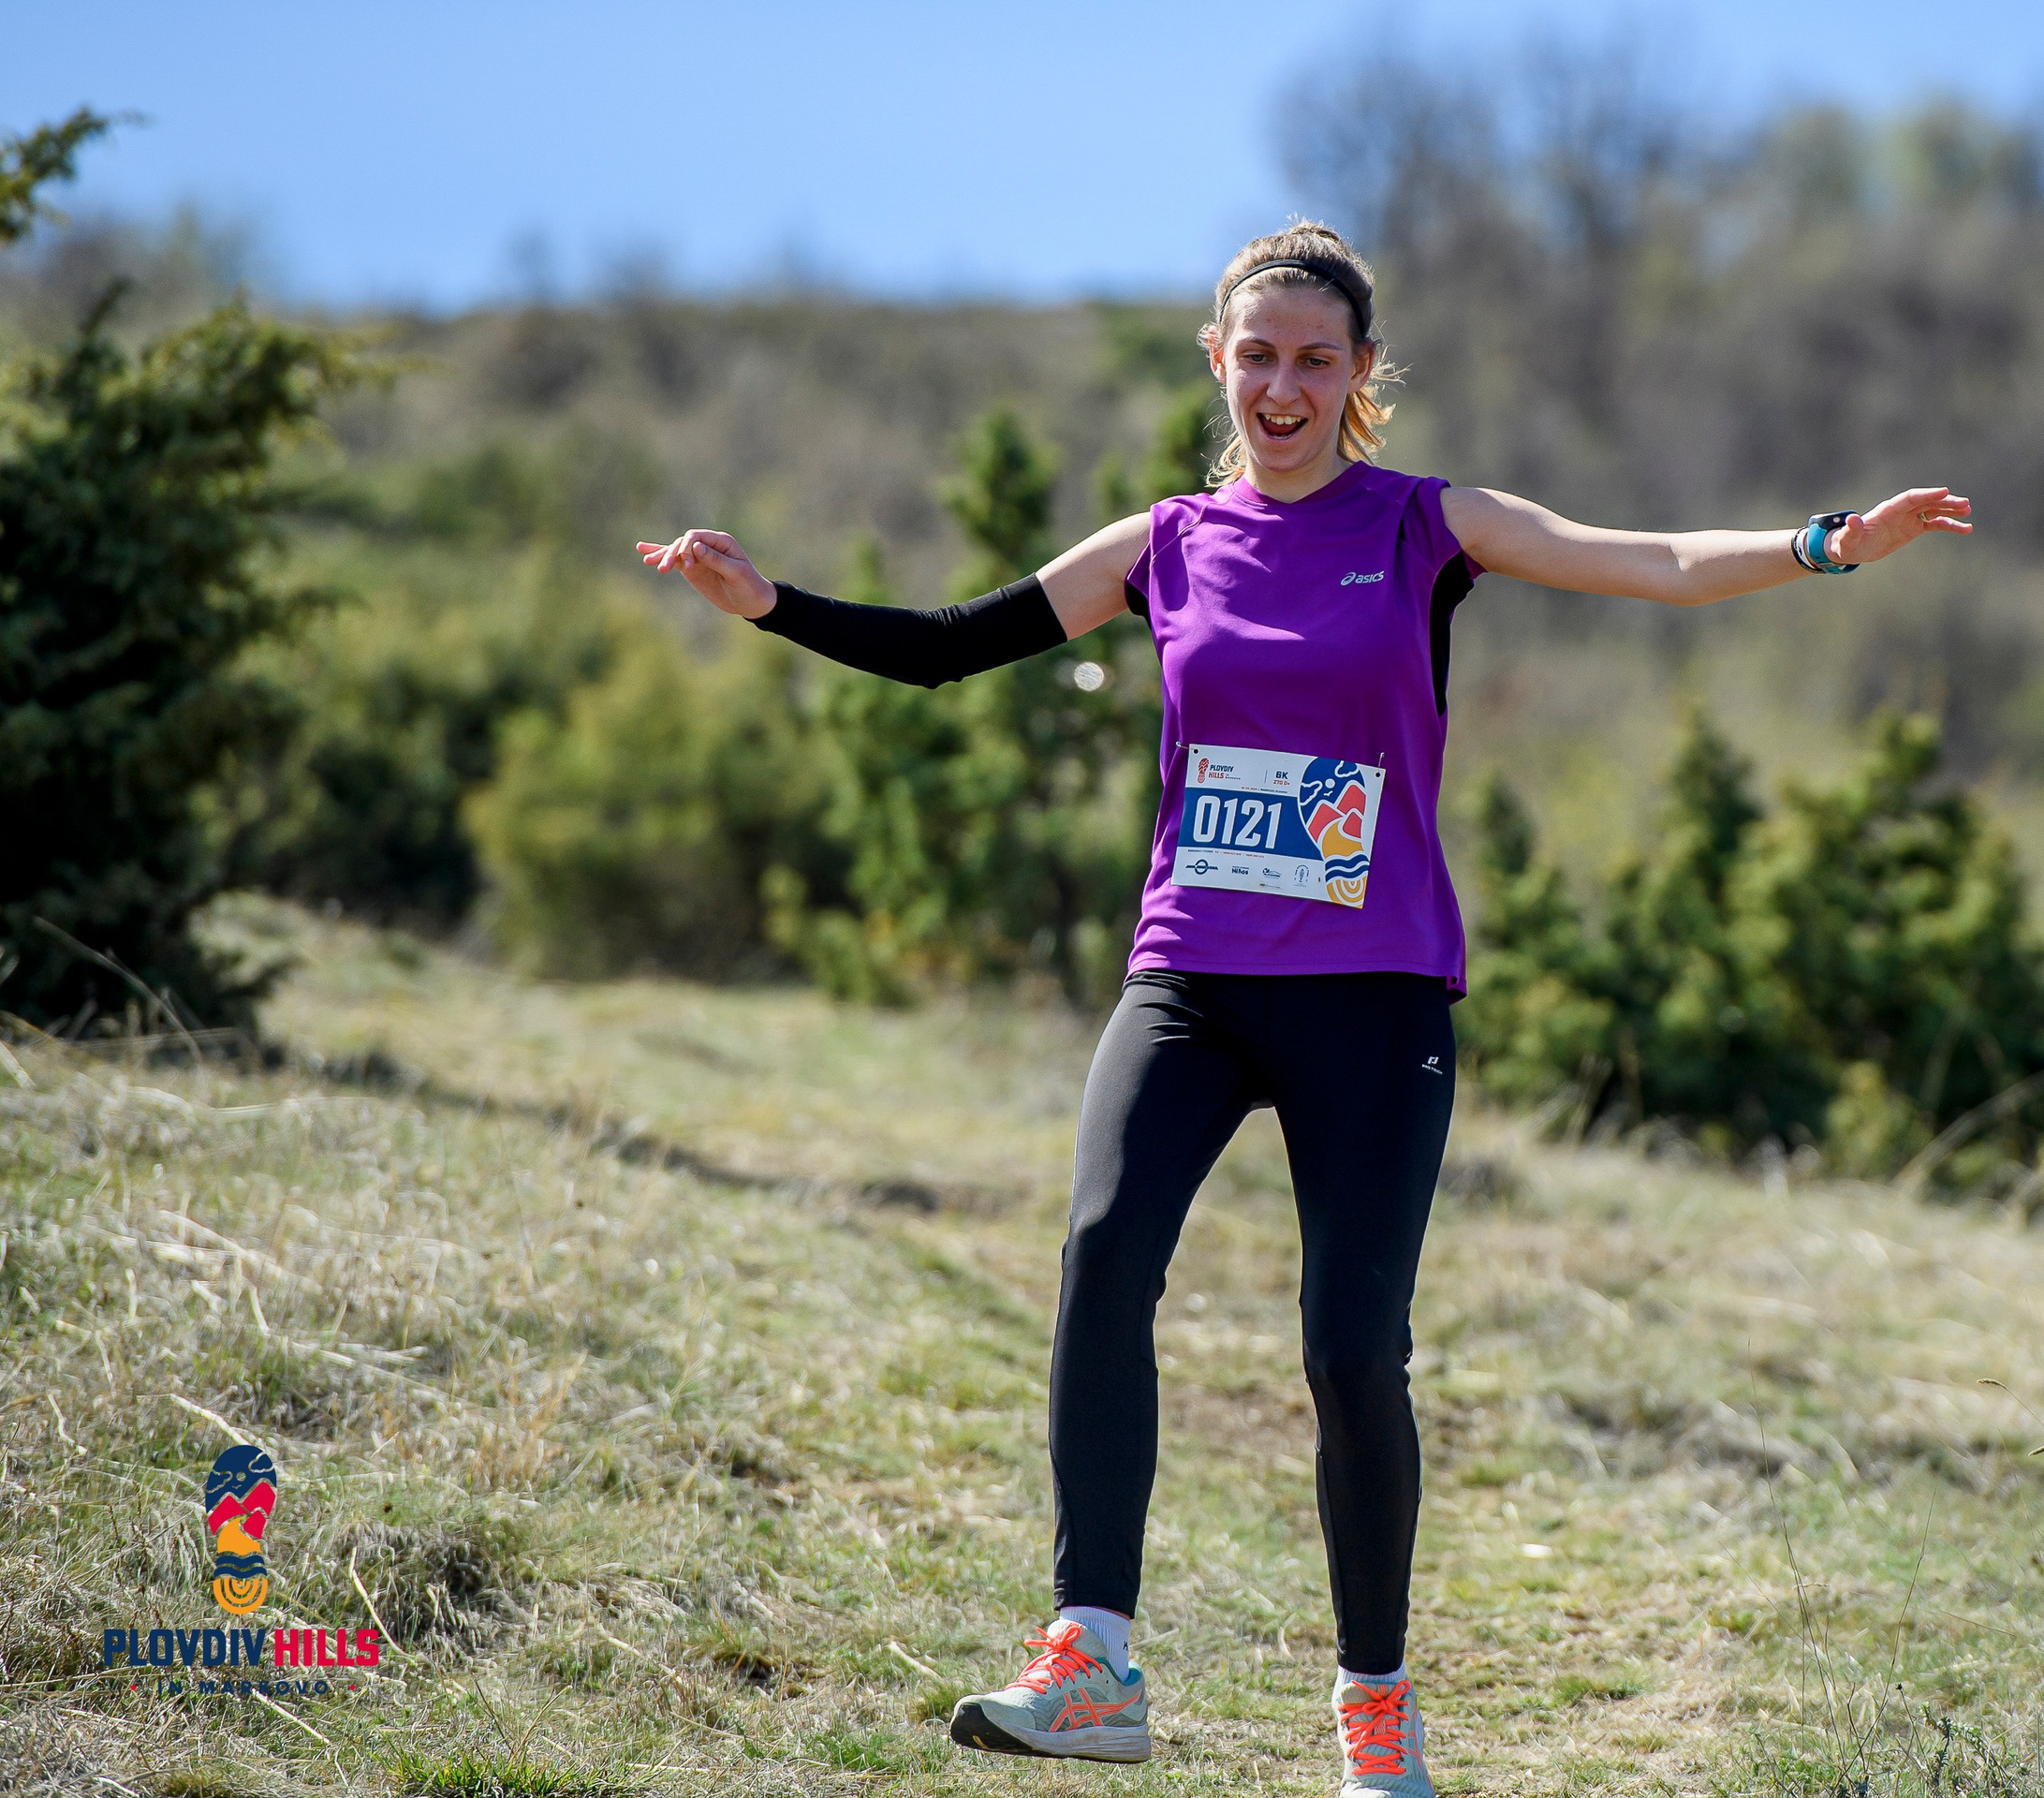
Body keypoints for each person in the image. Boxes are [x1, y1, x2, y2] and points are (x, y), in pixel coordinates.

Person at [639, 221, 1969, 1796]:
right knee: (1101, 1255)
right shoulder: (1166, 544)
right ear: (1220, 361)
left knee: (1350, 1350)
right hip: (1193, 974)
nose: (1282, 384)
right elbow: (947, 650)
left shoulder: (1426, 527)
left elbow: (1652, 563)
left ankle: (1376, 1716)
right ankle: (1092, 1660)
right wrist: (766, 601)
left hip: (1373, 989)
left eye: (1315, 360)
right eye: (1257, 354)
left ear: (1360, 378)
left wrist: (1825, 544)